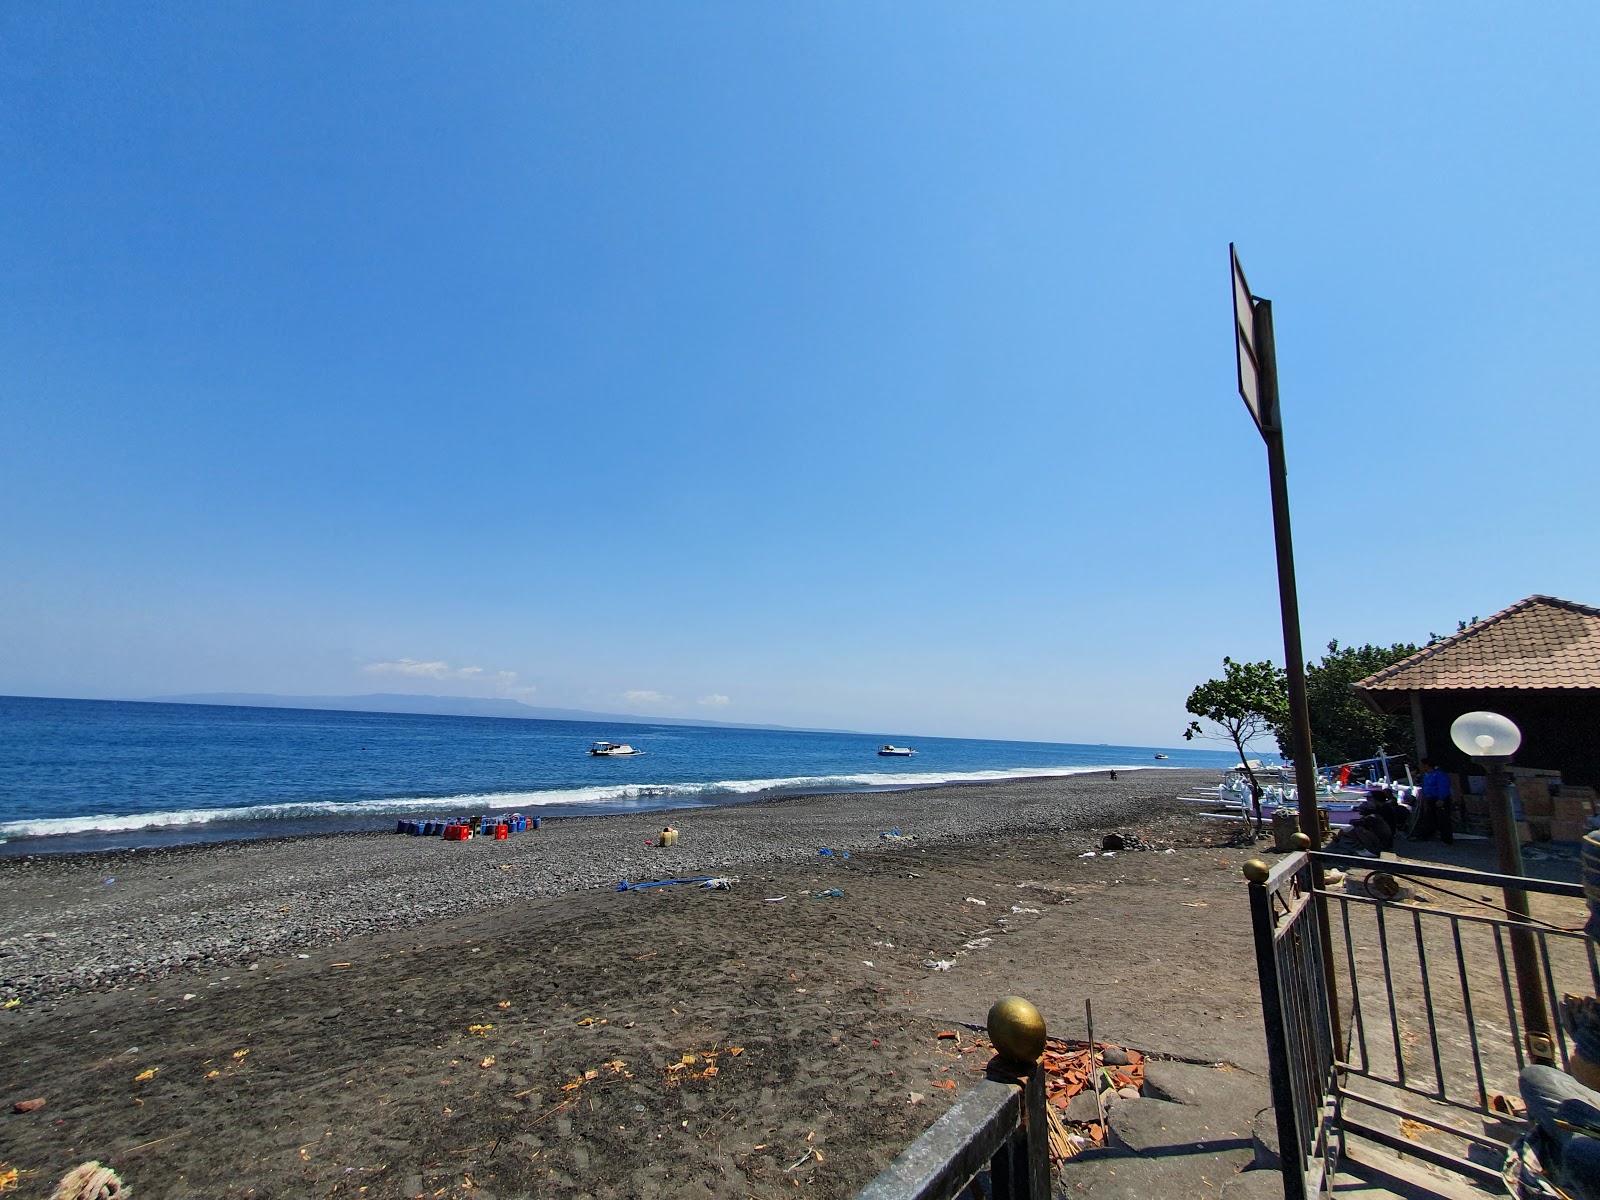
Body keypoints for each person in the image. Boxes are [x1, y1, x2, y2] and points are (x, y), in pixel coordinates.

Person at [1414, 762, 1455, 845]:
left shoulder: (1439, 774)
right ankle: (1427, 836)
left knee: (1443, 819)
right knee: (1429, 818)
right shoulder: (1426, 775)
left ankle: (1446, 839)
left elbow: (1443, 787)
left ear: (1427, 765)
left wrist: (1441, 799)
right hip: (1430, 799)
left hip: (1438, 798)